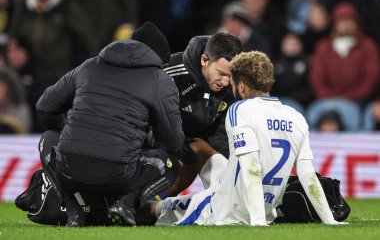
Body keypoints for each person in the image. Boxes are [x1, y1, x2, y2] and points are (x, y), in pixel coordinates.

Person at [153, 51, 345, 226]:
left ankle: (146, 205)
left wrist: (258, 221)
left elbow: (251, 168)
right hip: (263, 206)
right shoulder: (295, 116)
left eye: (233, 82)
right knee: (198, 147)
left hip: (226, 209)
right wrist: (330, 220)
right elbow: (308, 176)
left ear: (242, 86)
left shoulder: (240, 109)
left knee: (155, 211)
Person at [35, 22, 184, 227]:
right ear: (158, 58)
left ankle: (73, 210)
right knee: (171, 163)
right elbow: (173, 141)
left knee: (47, 138)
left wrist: (68, 134)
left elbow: (44, 107)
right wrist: (147, 140)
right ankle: (125, 204)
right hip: (119, 174)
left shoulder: (88, 66)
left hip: (70, 168)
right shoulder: (161, 79)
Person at [157, 32, 243, 199]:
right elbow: (142, 117)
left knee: (197, 150)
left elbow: (220, 134)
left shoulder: (230, 87)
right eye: (221, 73)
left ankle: (230, 198)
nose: (225, 82)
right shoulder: (168, 73)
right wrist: (171, 141)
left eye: (230, 76)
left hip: (188, 149)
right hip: (154, 148)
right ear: (204, 60)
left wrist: (231, 167)